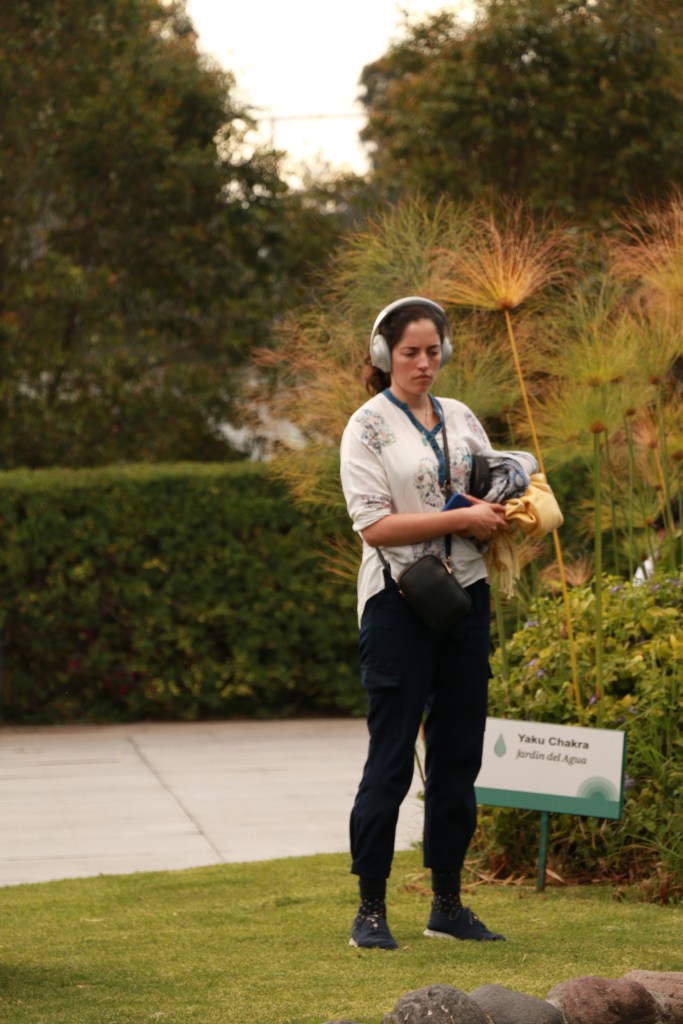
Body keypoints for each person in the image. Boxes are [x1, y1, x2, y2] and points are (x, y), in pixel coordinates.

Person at [339, 296, 511, 950]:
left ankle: (447, 905)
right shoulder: (365, 426)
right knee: (390, 759)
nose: (422, 363)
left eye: (432, 351)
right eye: (409, 352)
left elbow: (486, 487)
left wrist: (506, 504)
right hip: (397, 602)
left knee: (458, 754)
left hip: (466, 595)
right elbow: (373, 526)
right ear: (384, 355)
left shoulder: (461, 417)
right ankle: (370, 910)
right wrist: (460, 518)